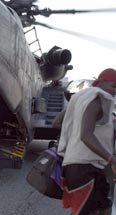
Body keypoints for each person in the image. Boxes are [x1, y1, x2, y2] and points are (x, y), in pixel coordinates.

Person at [57, 68, 116, 215]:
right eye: (113, 86)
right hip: (85, 168)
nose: (114, 92)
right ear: (101, 82)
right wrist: (112, 159)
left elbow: (56, 123)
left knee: (92, 210)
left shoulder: (79, 98)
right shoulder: (97, 99)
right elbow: (86, 135)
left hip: (81, 166)